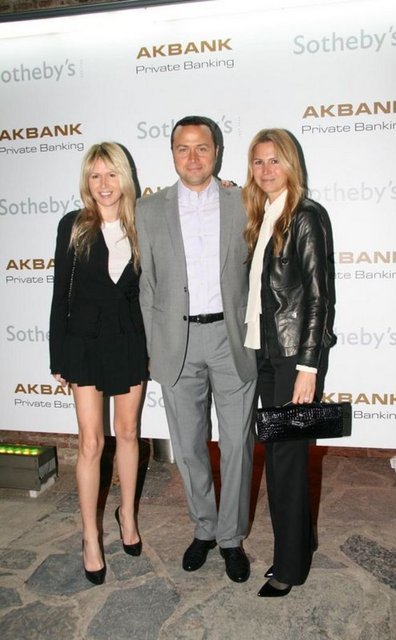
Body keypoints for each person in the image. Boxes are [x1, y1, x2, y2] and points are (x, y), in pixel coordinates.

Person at [136, 116, 257, 583]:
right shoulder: (148, 210)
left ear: (217, 152)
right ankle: (204, 529)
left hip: (231, 340)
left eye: (201, 148)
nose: (193, 157)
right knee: (187, 446)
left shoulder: (243, 201)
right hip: (176, 343)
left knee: (237, 445)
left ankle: (231, 538)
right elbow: (147, 286)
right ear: (172, 153)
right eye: (183, 148)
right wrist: (153, 345)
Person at [242, 129, 336, 597]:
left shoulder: (306, 216)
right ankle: (299, 543)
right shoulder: (263, 215)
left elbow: (319, 298)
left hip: (292, 357)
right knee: (282, 455)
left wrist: (308, 367)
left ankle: (290, 567)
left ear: (291, 164)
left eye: (275, 160)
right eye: (258, 161)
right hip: (266, 352)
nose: (266, 169)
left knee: (286, 461)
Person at [49, 143, 149, 585]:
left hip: (129, 339)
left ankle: (127, 515)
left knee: (127, 433)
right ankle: (90, 536)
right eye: (95, 176)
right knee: (91, 443)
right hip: (84, 343)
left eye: (111, 175)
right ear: (86, 183)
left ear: (124, 178)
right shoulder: (73, 225)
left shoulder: (142, 224)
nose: (103, 185)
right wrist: (57, 355)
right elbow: (61, 294)